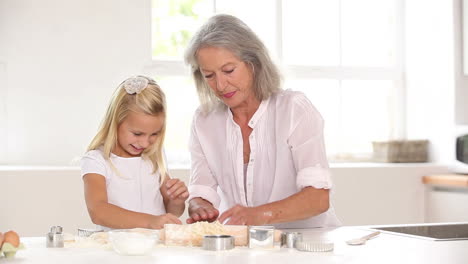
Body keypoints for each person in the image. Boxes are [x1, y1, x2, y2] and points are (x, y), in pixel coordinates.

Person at [184, 14, 341, 228]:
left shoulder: (294, 109)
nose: (220, 85)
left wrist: (261, 214)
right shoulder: (204, 121)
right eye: (209, 75)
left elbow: (318, 199)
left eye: (229, 70)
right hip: (250, 250)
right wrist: (198, 206)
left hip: (310, 246)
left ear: (254, 64)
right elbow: (202, 189)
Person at [80, 75, 188, 230]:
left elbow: (172, 212)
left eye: (154, 134)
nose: (145, 143)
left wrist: (176, 201)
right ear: (116, 121)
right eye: (137, 134)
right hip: (117, 250)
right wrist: (150, 222)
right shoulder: (97, 160)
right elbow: (98, 212)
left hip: (155, 248)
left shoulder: (153, 156)